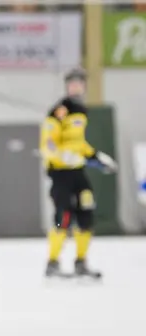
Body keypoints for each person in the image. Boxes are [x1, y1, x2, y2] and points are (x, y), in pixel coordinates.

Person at [41, 67, 117, 279]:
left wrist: (96, 157)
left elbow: (79, 143)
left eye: (79, 83)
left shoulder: (81, 111)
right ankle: (52, 262)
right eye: (72, 83)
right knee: (62, 216)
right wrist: (62, 157)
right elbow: (48, 143)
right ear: (67, 86)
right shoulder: (59, 110)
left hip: (77, 172)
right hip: (60, 173)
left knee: (86, 209)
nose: (76, 86)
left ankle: (81, 261)